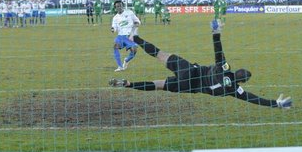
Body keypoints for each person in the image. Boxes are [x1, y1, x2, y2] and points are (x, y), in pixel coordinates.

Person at [109, 20, 292, 109]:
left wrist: (216, 33)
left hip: (189, 69)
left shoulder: (225, 69)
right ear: (241, 82)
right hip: (189, 86)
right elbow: (254, 98)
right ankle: (128, 84)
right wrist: (276, 104)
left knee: (160, 54)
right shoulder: (235, 90)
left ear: (236, 71)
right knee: (158, 85)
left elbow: (218, 51)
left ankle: (136, 38)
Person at [111, 0, 141, 72]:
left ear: (123, 6)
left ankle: (126, 60)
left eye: (120, 6)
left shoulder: (130, 13)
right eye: (117, 6)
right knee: (115, 46)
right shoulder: (115, 18)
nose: (119, 7)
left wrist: (136, 25)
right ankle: (120, 66)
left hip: (130, 35)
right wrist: (112, 29)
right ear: (115, 8)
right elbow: (114, 27)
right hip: (121, 36)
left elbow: (138, 22)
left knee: (134, 50)